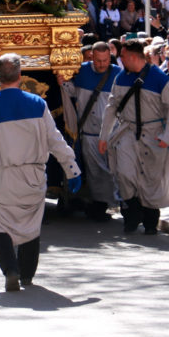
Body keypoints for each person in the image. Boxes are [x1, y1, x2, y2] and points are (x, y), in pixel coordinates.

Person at [0, 54, 80, 291]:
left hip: (0, 176)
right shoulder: (37, 104)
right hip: (32, 175)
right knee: (30, 224)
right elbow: (55, 140)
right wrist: (72, 169)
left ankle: (10, 270)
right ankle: (27, 275)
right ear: (20, 76)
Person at [98, 37, 169, 235]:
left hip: (153, 134)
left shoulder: (161, 80)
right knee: (124, 173)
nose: (120, 59)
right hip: (127, 131)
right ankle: (132, 213)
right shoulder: (121, 78)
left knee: (151, 179)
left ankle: (151, 221)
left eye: (123, 56)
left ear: (132, 57)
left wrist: (167, 136)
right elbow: (111, 107)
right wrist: (104, 136)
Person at [60, 40, 122, 221]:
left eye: (105, 60)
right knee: (95, 173)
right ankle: (101, 205)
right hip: (89, 133)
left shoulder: (118, 73)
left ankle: (122, 204)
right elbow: (73, 93)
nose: (102, 64)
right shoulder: (81, 71)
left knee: (117, 170)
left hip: (112, 133)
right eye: (98, 60)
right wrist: (63, 83)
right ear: (92, 57)